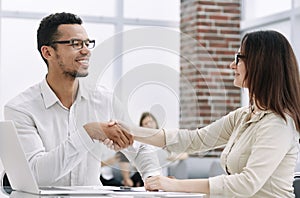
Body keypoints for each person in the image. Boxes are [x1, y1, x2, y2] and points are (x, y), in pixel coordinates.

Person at [108, 30, 300, 197]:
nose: (232, 65)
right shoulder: (243, 116)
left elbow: (247, 183)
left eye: (238, 58)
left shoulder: (278, 124)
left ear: (261, 64)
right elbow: (195, 140)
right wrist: (130, 131)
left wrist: (175, 185)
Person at [3, 12, 161, 187]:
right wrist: (88, 133)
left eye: (87, 43)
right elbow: (35, 176)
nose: (86, 51)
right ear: (48, 52)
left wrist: (153, 178)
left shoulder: (105, 100)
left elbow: (139, 147)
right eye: (75, 44)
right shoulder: (20, 109)